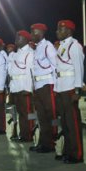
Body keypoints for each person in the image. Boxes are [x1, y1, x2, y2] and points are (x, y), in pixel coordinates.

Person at [55, 20, 84, 164]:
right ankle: (67, 151)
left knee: (72, 123)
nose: (57, 31)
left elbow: (79, 68)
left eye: (61, 29)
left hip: (70, 87)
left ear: (69, 31)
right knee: (65, 123)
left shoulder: (74, 46)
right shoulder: (62, 46)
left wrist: (77, 90)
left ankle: (77, 154)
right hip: (61, 87)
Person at [29, 23, 58, 153]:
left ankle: (51, 143)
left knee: (50, 115)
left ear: (41, 33)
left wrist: (56, 86)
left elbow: (56, 66)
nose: (32, 35)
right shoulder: (37, 48)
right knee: (41, 117)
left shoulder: (48, 46)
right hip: (38, 85)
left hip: (47, 84)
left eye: (34, 32)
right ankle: (43, 142)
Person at [7, 30, 35, 142]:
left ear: (26, 39)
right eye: (16, 37)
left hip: (24, 86)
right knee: (20, 113)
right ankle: (23, 134)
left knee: (26, 113)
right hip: (16, 86)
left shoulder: (30, 52)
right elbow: (11, 71)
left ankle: (28, 135)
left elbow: (30, 71)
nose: (16, 40)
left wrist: (28, 88)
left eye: (19, 37)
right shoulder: (16, 53)